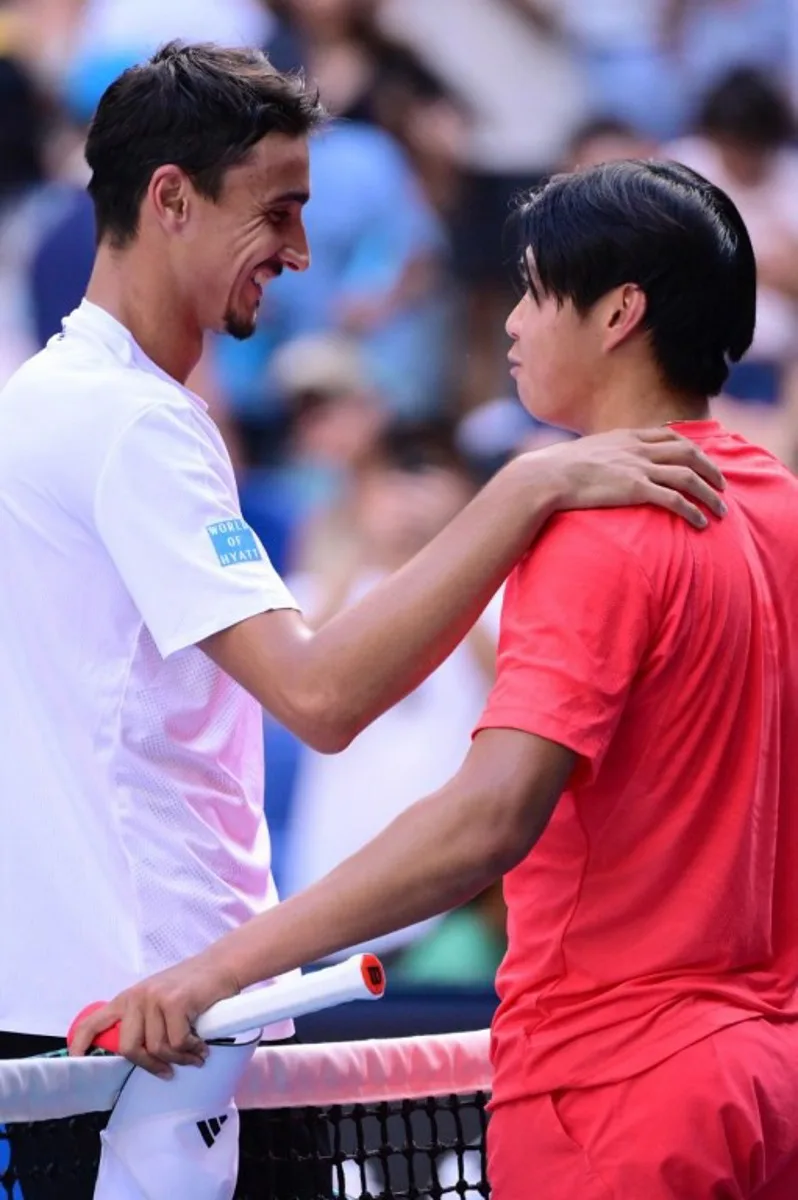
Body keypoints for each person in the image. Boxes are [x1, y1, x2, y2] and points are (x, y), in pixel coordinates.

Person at [0, 40, 723, 1198]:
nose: (297, 251)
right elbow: (323, 697)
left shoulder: (60, 401)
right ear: (171, 200)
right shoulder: (124, 424)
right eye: (277, 212)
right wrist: (527, 488)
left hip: (145, 1021)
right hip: (154, 1033)